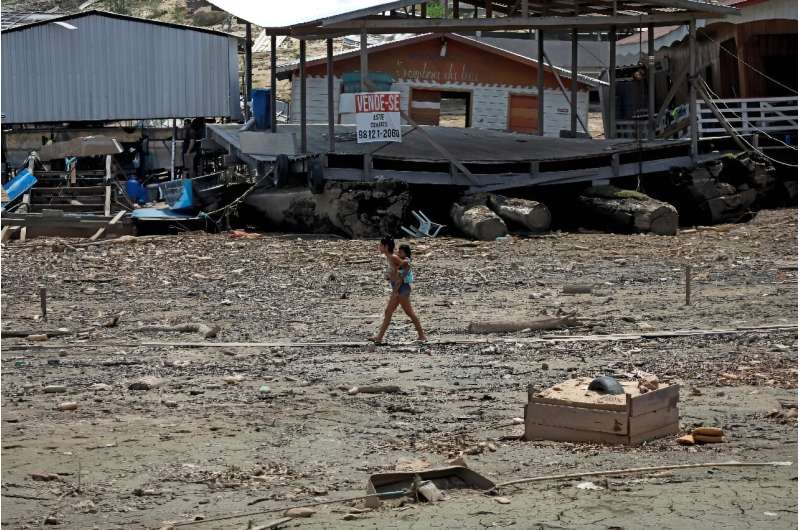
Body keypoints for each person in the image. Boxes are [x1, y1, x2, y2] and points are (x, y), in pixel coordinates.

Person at [372, 237, 426, 344]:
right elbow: (397, 270)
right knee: (388, 312)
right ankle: (379, 338)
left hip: (402, 289)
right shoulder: (390, 257)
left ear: (386, 247)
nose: (379, 247)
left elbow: (407, 265)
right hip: (396, 289)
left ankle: (422, 336)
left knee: (409, 312)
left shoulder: (393, 257)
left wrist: (400, 278)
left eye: (381, 245)